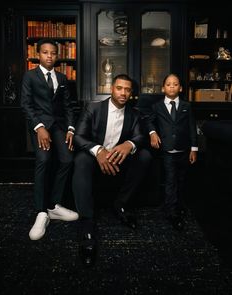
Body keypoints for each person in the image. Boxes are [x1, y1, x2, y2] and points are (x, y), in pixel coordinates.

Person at [72, 74, 152, 266]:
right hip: (95, 158)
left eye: (127, 89)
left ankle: (121, 204)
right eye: (119, 88)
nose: (123, 93)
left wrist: (129, 144)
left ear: (131, 93)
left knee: (145, 156)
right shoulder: (93, 108)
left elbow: (141, 137)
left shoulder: (134, 114)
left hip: (118, 159)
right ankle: (87, 222)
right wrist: (98, 150)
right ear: (111, 89)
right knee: (81, 160)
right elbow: (78, 137)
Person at [21, 38, 79, 241]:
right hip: (40, 127)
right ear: (39, 54)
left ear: (57, 55)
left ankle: (53, 205)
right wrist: (39, 127)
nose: (49, 56)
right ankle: (41, 212)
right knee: (44, 160)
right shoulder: (30, 76)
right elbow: (26, 104)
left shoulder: (62, 78)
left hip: (59, 126)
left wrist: (71, 129)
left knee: (67, 160)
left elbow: (68, 106)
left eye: (53, 53)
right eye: (45, 52)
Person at [146, 73, 198, 231]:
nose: (172, 86)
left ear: (180, 88)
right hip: (167, 151)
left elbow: (191, 128)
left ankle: (179, 205)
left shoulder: (186, 106)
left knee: (181, 180)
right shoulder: (157, 106)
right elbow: (148, 121)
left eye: (175, 84)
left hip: (183, 150)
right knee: (170, 180)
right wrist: (152, 133)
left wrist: (194, 149)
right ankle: (172, 212)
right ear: (163, 88)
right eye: (168, 84)